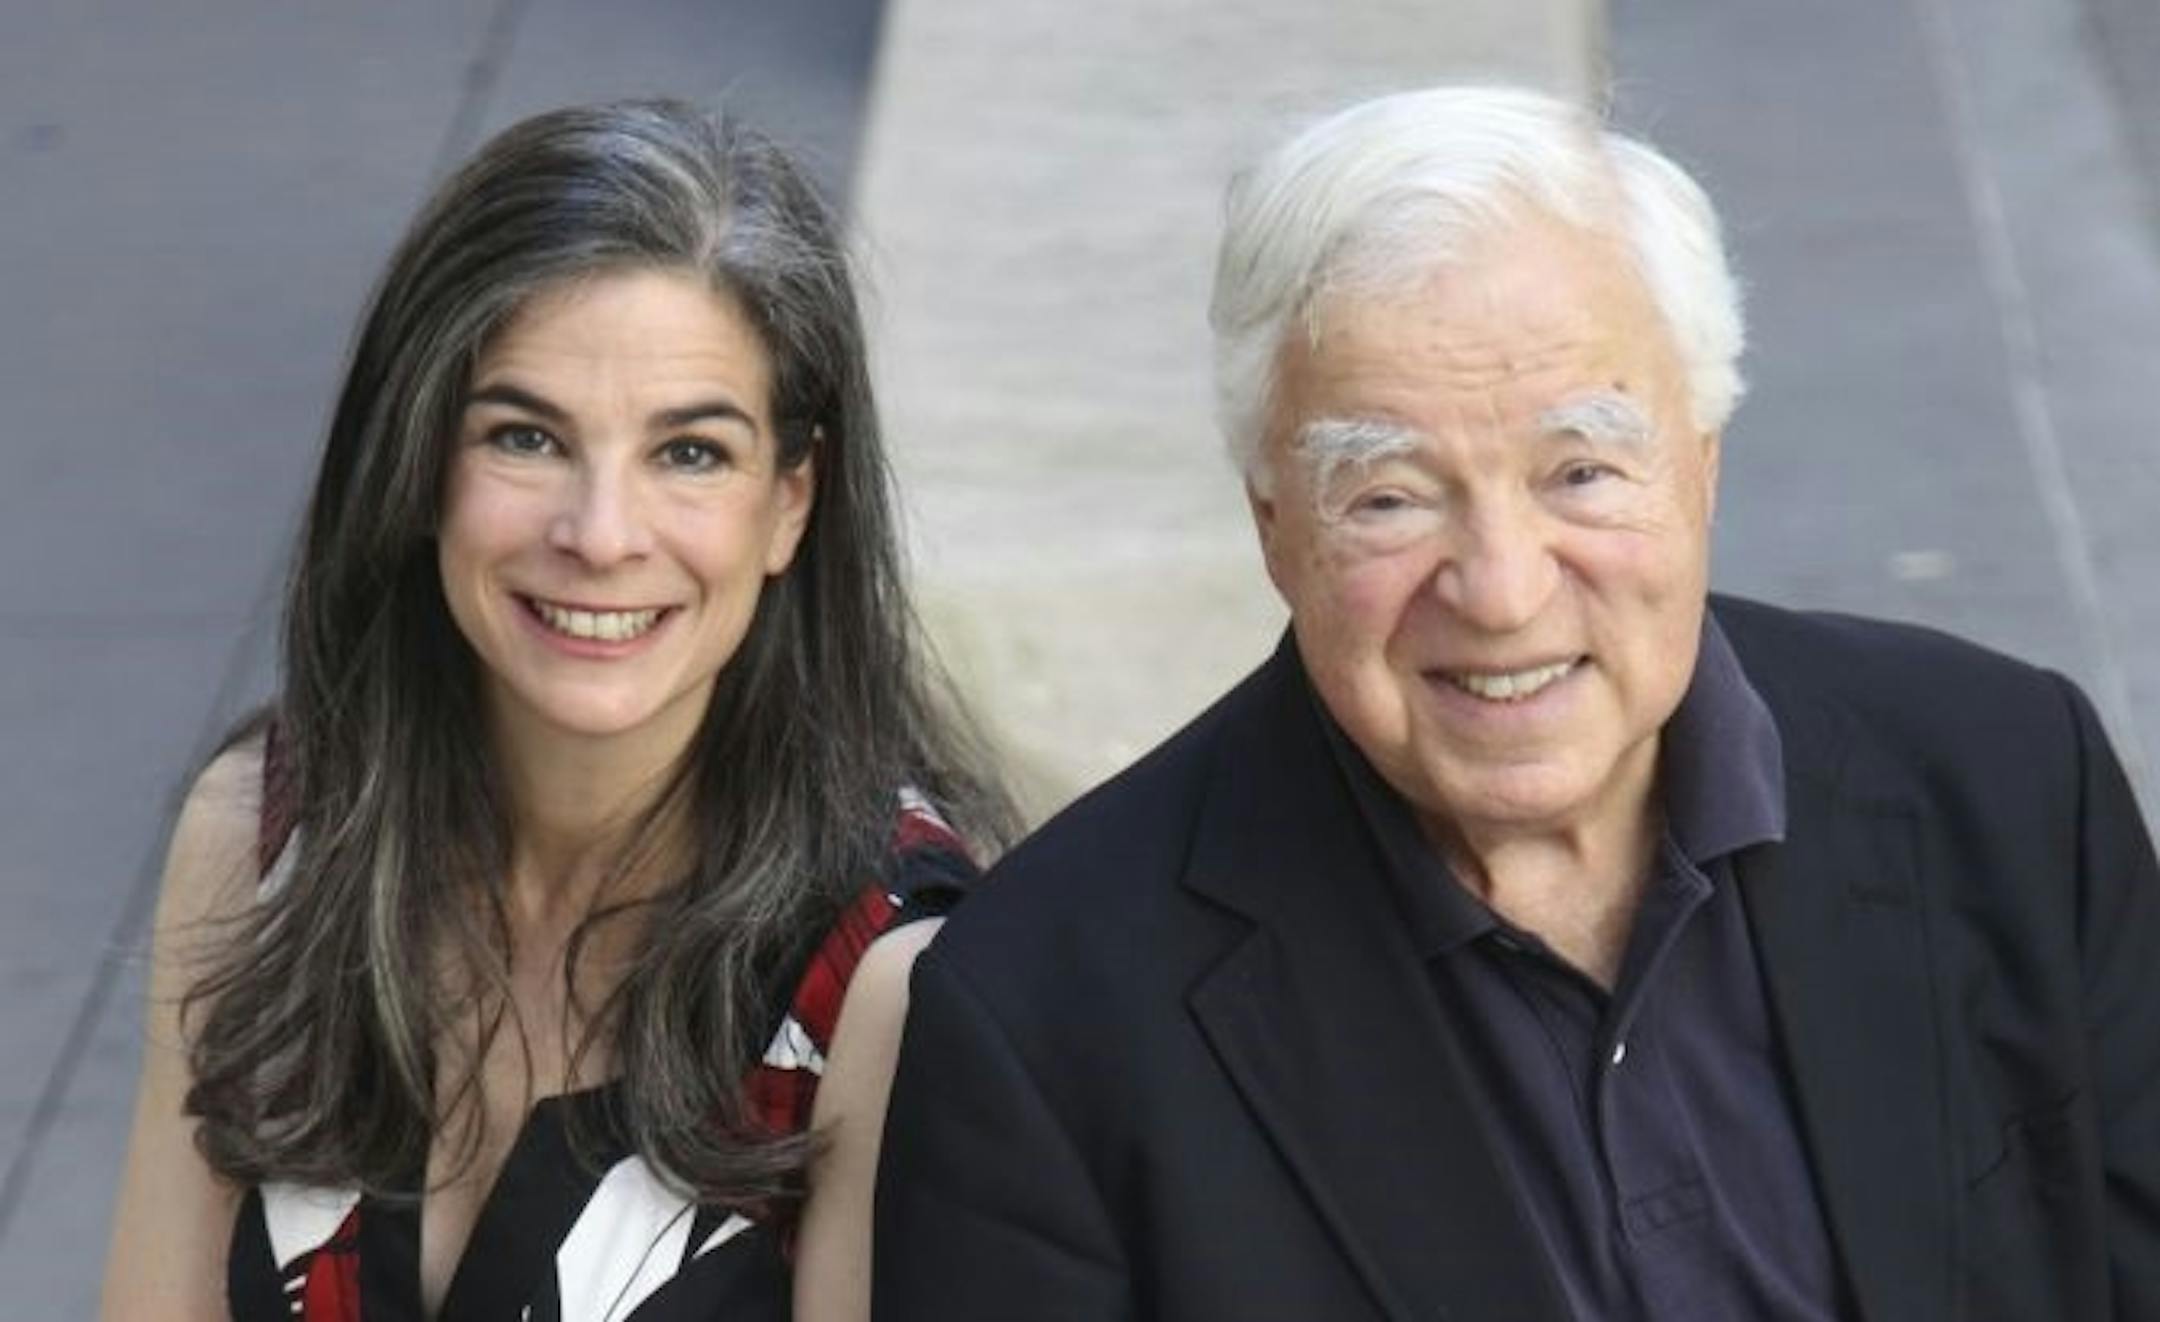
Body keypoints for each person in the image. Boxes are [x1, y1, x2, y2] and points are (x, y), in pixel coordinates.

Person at [873, 85, 2160, 1320]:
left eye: (1581, 471)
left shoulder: (2008, 781)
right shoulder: (1050, 1009)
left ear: (1702, 467)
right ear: (1276, 528)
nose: (1499, 590)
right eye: (1390, 495)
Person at [100, 100, 1011, 1322]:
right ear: (420, 464)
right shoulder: (263, 840)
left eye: (689, 452)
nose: (599, 534)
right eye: (526, 436)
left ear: (792, 501)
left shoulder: (888, 981)